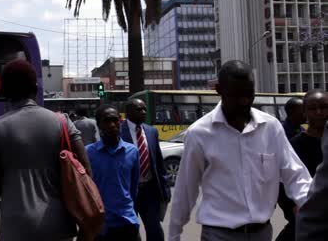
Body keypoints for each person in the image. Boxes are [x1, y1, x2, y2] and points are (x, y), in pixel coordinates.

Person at [168, 60, 312, 241]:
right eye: (236, 95)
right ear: (219, 90)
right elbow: (185, 190)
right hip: (218, 235)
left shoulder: (271, 127)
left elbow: (296, 175)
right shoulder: (199, 134)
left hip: (262, 234)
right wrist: (174, 235)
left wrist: (315, 210)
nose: (245, 100)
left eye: (249, 94)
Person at [0, 59, 92, 241]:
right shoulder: (63, 122)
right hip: (61, 227)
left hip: (16, 230)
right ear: (36, 89)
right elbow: (85, 172)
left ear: (4, 91)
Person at [276, 90, 328, 241]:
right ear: (304, 112)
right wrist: (294, 208)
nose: (319, 112)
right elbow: (281, 183)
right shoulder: (292, 146)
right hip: (306, 222)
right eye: (312, 108)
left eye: (324, 107)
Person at [86, 104, 140, 241]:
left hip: (127, 223)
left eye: (115, 120)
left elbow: (133, 188)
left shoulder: (132, 151)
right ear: (98, 125)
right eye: (106, 121)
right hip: (101, 225)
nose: (112, 125)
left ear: (120, 121)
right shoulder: (88, 153)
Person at [121, 98, 171, 241]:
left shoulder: (151, 131)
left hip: (149, 191)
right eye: (139, 109)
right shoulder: (118, 131)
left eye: (144, 109)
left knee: (155, 230)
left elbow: (159, 163)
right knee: (129, 231)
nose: (143, 112)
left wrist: (165, 190)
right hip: (128, 192)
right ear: (128, 112)